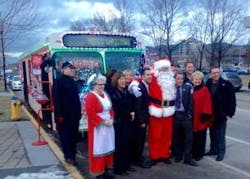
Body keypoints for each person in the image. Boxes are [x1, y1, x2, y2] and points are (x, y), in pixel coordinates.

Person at [130, 59, 176, 165]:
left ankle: (164, 155)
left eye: (166, 68)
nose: (164, 70)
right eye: (162, 68)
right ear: (158, 69)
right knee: (155, 135)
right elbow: (138, 79)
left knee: (166, 135)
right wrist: (133, 86)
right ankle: (155, 156)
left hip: (169, 111)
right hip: (156, 110)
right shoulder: (153, 77)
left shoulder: (172, 78)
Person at [85, 73, 115, 179]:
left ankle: (106, 169)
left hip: (108, 126)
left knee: (108, 146)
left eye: (103, 84)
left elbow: (110, 109)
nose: (102, 86)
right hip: (98, 128)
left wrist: (111, 118)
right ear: (94, 85)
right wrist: (103, 122)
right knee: (99, 149)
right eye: (99, 84)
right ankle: (98, 173)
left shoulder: (105, 94)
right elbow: (91, 113)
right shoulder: (90, 96)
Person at [53, 61, 81, 166]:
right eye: (69, 68)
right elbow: (56, 99)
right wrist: (59, 115)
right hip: (64, 116)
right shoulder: (58, 81)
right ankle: (68, 156)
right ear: (63, 70)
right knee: (66, 137)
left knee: (74, 137)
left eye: (73, 68)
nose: (72, 70)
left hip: (74, 115)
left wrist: (79, 112)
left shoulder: (73, 81)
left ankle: (73, 155)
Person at [206, 67, 236, 161]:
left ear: (220, 73)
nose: (215, 74)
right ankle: (213, 149)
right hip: (211, 114)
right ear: (211, 74)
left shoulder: (226, 84)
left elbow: (232, 100)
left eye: (217, 72)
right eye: (213, 73)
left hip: (222, 114)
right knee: (212, 133)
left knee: (221, 135)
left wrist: (229, 113)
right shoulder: (208, 83)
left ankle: (221, 152)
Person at [110, 72, 136, 176]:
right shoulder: (114, 94)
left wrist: (133, 112)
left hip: (128, 122)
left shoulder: (126, 91)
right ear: (116, 81)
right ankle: (119, 168)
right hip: (120, 123)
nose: (123, 81)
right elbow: (117, 109)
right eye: (120, 79)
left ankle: (127, 165)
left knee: (128, 144)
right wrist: (129, 114)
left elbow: (132, 104)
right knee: (120, 146)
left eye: (124, 79)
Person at [173, 72, 197, 166]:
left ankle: (187, 157)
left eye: (181, 79)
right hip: (175, 115)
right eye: (178, 78)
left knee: (189, 137)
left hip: (185, 116)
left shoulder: (188, 87)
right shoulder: (171, 89)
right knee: (176, 137)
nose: (179, 80)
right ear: (175, 79)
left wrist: (189, 114)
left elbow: (191, 102)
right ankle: (178, 155)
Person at [133, 67, 152, 168]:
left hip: (145, 118)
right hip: (141, 120)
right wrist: (141, 121)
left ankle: (139, 158)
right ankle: (138, 160)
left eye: (150, 74)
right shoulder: (139, 87)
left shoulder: (146, 86)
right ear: (143, 76)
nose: (150, 76)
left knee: (141, 139)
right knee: (139, 140)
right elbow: (138, 106)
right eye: (147, 75)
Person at [191, 71, 213, 161]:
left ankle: (199, 153)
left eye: (200, 79)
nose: (198, 81)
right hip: (192, 116)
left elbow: (208, 102)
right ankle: (193, 152)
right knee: (193, 136)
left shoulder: (204, 89)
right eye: (196, 79)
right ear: (193, 80)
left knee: (201, 136)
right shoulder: (191, 89)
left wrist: (205, 114)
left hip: (201, 117)